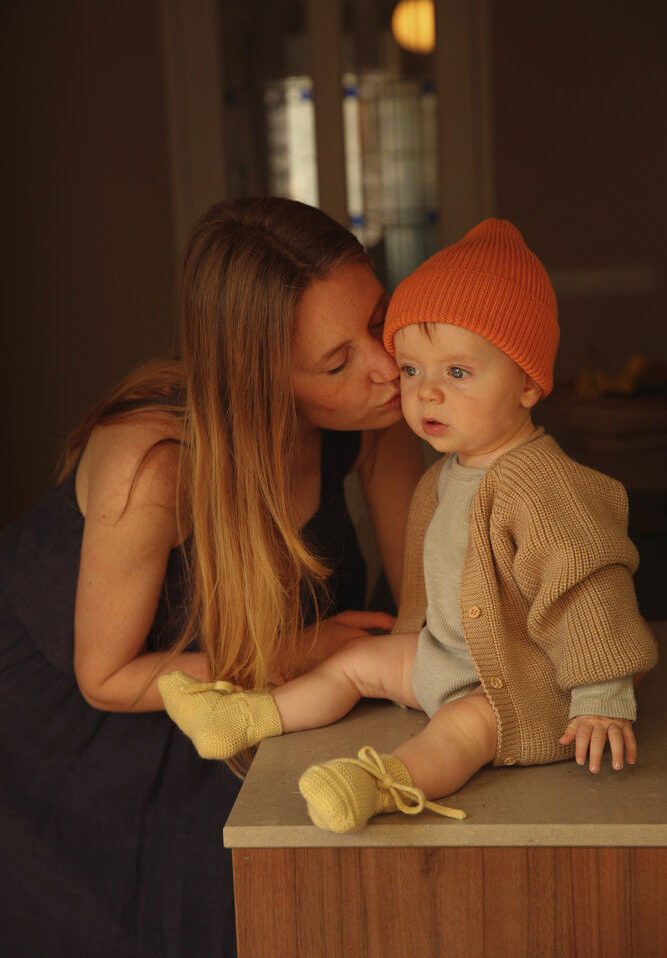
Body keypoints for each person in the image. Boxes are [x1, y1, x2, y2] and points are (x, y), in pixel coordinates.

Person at [0, 197, 425, 956]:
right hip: (69, 713)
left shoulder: (372, 413)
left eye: (377, 319)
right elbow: (103, 676)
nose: (386, 368)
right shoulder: (156, 461)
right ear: (264, 379)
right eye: (337, 362)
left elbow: (418, 615)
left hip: (226, 699)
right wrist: (298, 652)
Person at [159, 218, 658, 836]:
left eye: (457, 373)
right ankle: (250, 717)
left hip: (523, 683)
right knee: (355, 663)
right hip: (450, 659)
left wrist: (601, 699)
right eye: (414, 370)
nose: (425, 395)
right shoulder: (448, 474)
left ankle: (382, 783)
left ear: (528, 382)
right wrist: (410, 644)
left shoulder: (545, 486)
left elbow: (590, 591)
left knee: (461, 730)